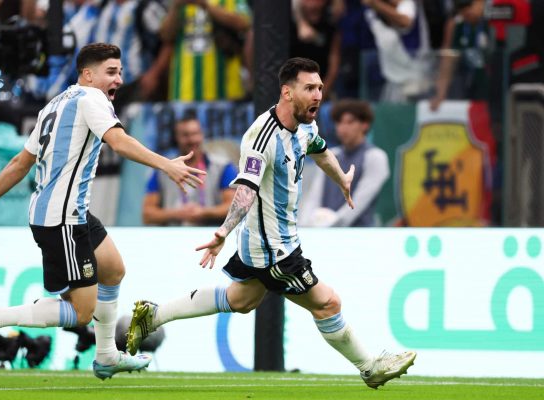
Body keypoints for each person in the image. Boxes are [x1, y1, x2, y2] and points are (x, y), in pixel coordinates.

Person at [125, 57, 416, 389]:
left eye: (320, 87)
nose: (318, 95)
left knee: (242, 300)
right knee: (327, 303)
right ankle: (369, 367)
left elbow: (319, 150)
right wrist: (222, 232)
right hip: (271, 247)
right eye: (310, 88)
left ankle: (154, 315)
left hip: (277, 238)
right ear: (287, 92)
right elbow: (246, 190)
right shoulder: (261, 138)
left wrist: (341, 180)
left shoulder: (306, 124)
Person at [0, 43, 205, 378]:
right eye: (111, 72)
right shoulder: (92, 98)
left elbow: (20, 162)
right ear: (88, 74)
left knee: (113, 269)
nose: (119, 78)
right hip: (61, 220)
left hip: (72, 213)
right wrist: (166, 165)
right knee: (82, 312)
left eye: (120, 71)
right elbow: (119, 142)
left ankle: (106, 357)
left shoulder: (55, 104)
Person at [299, 99, 390, 227]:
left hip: (360, 237)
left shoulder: (376, 157)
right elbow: (314, 196)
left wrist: (331, 224)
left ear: (365, 125)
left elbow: (359, 202)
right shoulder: (330, 155)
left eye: (350, 122)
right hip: (325, 236)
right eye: (339, 122)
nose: (343, 128)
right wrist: (305, 227)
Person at [142, 114, 237, 226]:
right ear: (176, 138)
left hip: (211, 234)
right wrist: (177, 214)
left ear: (202, 135)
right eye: (185, 135)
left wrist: (204, 213)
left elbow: (234, 208)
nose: (192, 139)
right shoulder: (163, 169)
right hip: (173, 236)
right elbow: (147, 215)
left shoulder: (223, 166)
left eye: (195, 133)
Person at [159, 0, 251, 101]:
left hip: (226, 90)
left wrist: (204, 5)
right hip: (184, 91)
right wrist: (175, 6)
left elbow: (244, 23)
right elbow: (165, 35)